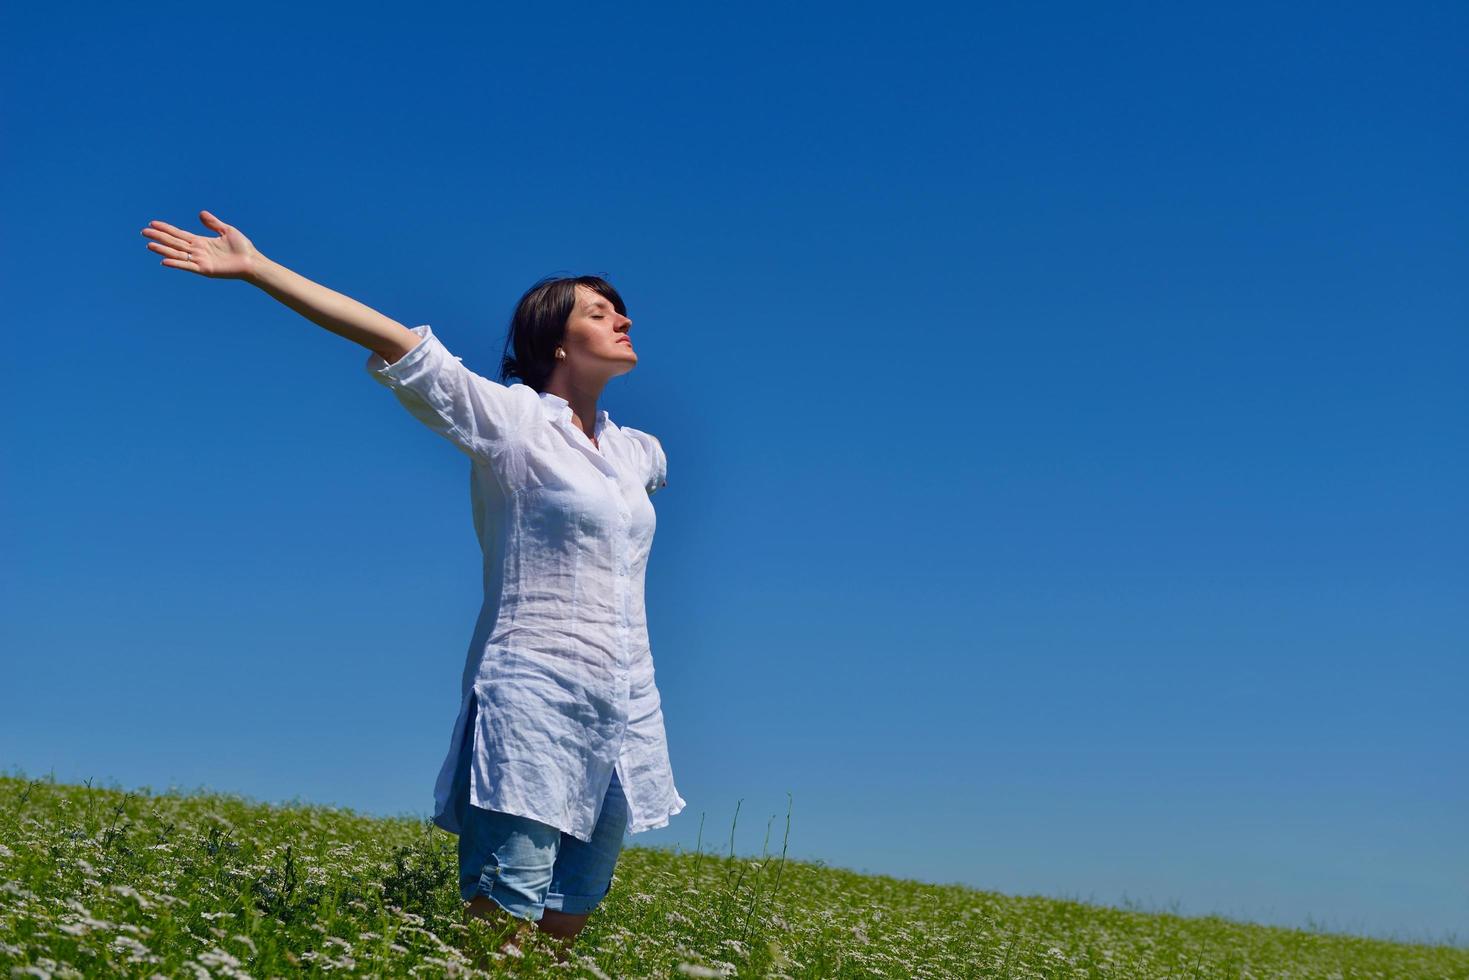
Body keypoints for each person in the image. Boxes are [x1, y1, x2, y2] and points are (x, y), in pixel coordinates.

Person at [140, 211, 686, 958]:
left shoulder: (637, 452)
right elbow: (395, 340)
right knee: (507, 910)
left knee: (570, 917)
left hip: (625, 705)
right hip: (534, 690)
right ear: (556, 342)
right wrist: (259, 269)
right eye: (598, 312)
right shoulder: (513, 423)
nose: (622, 318)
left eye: (619, 309)